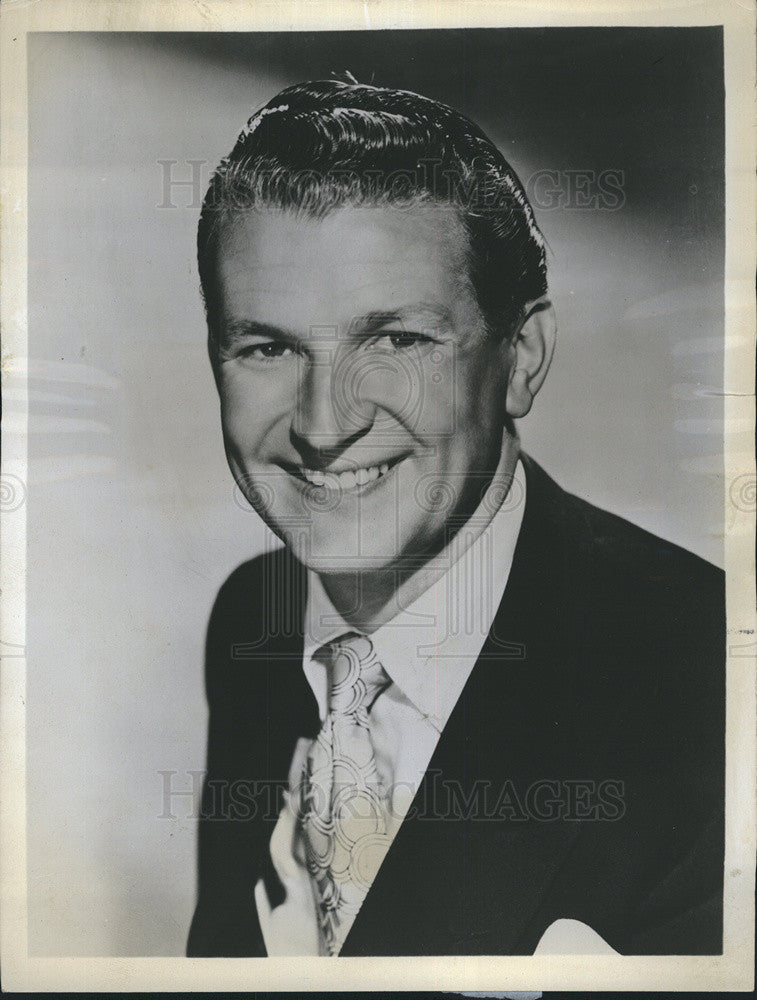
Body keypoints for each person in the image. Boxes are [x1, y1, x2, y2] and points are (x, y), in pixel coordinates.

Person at [186, 79, 725, 957]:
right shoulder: (253, 613)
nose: (325, 424)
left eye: (396, 341)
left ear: (520, 359)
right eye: (268, 346)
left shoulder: (707, 676)